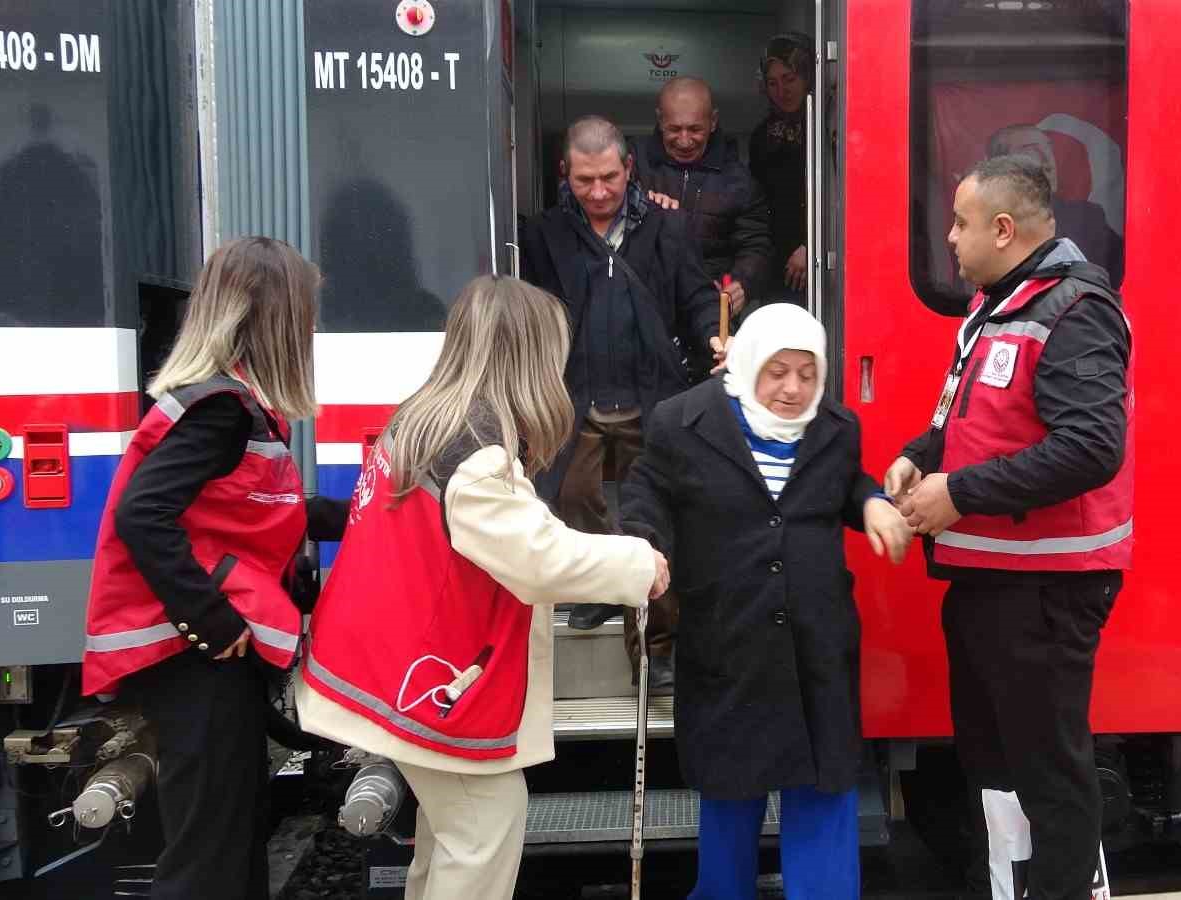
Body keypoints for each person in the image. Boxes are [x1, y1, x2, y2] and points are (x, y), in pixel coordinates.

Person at [297, 275, 667, 900]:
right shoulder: (475, 452)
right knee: (484, 825)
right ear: (527, 357)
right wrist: (637, 563)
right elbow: (538, 558)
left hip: (388, 666)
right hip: (427, 680)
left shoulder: (423, 422)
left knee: (451, 833)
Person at [884, 155, 1132, 900]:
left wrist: (957, 494)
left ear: (1002, 227)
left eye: (960, 224)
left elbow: (1090, 447)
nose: (951, 239)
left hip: (1047, 592)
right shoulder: (999, 307)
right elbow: (974, 428)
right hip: (995, 584)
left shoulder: (1074, 311)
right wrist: (915, 457)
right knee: (993, 764)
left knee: (1048, 772)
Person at [82, 236, 348, 900]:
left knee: (230, 832)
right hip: (199, 657)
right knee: (209, 852)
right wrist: (210, 620)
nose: (311, 329)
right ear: (274, 320)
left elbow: (266, 511)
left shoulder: (225, 404)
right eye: (304, 314)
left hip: (202, 658)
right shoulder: (221, 411)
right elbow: (142, 517)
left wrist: (366, 513)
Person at [619, 303, 911, 900]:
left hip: (816, 643)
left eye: (807, 372)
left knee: (824, 790)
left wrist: (873, 501)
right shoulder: (683, 422)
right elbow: (646, 489)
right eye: (777, 371)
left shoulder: (836, 426)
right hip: (730, 638)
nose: (793, 388)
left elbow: (844, 482)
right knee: (730, 795)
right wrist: (645, 548)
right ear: (748, 362)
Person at [520, 115, 725, 691]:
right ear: (565, 173)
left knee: (650, 527)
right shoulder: (543, 235)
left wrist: (715, 334)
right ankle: (599, 591)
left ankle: (657, 649)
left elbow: (696, 296)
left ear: (628, 168)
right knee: (570, 499)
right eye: (585, 181)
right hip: (574, 400)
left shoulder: (665, 227)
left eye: (609, 177)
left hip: (650, 399)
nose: (600, 192)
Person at [636, 76, 773, 327]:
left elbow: (756, 246)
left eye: (695, 129)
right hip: (646, 310)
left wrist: (742, 283)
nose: (685, 140)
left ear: (713, 122)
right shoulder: (633, 170)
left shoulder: (739, 180)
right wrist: (641, 204)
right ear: (660, 121)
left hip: (712, 310)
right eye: (674, 129)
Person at [985, 124, 1123, 284]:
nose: (1048, 161)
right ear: (1001, 166)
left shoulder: (1088, 219)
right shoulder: (983, 222)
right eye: (1031, 150)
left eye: (1049, 149)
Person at [749, 32, 814, 305]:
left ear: (807, 76)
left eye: (789, 79)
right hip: (775, 264)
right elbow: (756, 204)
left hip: (819, 259)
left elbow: (840, 199)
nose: (782, 91)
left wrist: (810, 247)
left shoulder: (826, 127)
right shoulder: (762, 136)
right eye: (773, 83)